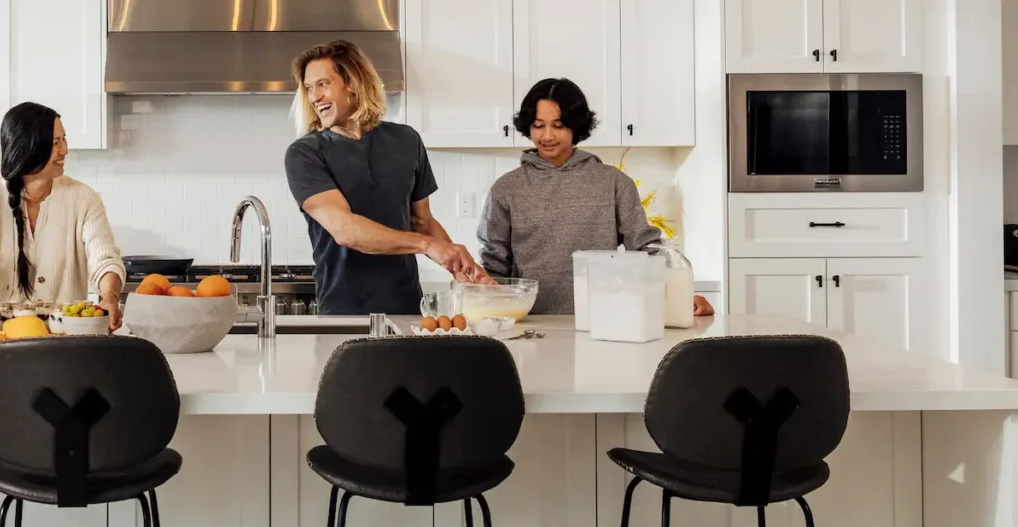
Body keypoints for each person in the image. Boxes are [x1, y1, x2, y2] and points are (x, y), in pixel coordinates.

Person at [478, 76, 714, 318]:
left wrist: (682, 295)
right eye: (538, 125)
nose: (547, 135)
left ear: (576, 127)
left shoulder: (613, 183)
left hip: (603, 321)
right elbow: (494, 265)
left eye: (558, 126)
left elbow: (646, 248)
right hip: (529, 323)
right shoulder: (506, 188)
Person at [284, 39, 488, 316]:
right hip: (344, 311)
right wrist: (429, 246)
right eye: (309, 88)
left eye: (323, 84)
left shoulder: (406, 140)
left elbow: (422, 221)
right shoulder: (305, 154)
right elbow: (346, 231)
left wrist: (463, 269)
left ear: (353, 82)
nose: (314, 96)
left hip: (407, 309)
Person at [0, 101, 127, 332]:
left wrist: (109, 296)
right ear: (28, 148)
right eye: (55, 143)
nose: (65, 150)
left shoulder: (84, 199)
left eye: (64, 139)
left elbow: (105, 259)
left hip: (64, 341)